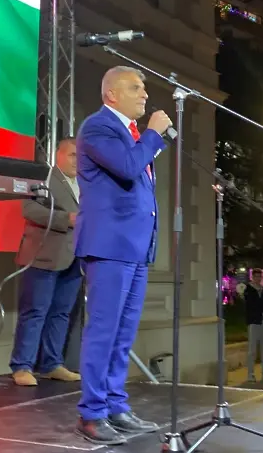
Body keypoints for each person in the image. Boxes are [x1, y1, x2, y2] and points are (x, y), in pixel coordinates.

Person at [74, 66, 172, 445]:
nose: (144, 94)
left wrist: (150, 138)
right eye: (135, 88)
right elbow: (129, 168)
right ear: (111, 94)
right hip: (109, 246)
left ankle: (116, 405)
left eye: (144, 87)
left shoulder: (131, 135)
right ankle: (92, 413)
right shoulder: (98, 127)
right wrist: (153, 133)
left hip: (135, 247)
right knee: (104, 331)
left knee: (123, 333)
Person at [10, 138, 83, 387]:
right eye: (73, 155)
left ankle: (51, 364)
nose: (78, 160)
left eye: (81, 155)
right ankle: (22, 366)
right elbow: (29, 209)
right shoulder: (42, 177)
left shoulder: (87, 183)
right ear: (58, 154)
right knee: (34, 311)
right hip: (42, 255)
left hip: (75, 257)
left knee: (61, 313)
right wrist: (66, 219)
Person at [242, 269, 263, 382]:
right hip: (254, 322)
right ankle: (250, 374)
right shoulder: (248, 290)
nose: (258, 279)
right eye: (256, 276)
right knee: (252, 350)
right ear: (252, 277)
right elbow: (250, 304)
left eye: (259, 276)